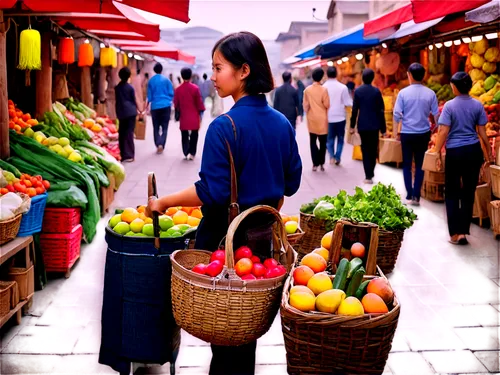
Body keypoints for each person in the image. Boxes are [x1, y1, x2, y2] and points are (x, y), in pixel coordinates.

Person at [147, 31, 302, 375]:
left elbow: (212, 192)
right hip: (262, 243)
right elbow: (292, 183)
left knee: (224, 329)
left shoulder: (223, 126)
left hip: (223, 242)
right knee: (245, 328)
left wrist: (164, 203)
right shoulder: (282, 124)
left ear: (244, 71)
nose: (213, 76)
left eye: (219, 68)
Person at [431, 72, 492, 245]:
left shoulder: (449, 106)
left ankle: (454, 234)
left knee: (451, 192)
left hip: (455, 152)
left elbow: (443, 131)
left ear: (455, 87)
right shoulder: (478, 105)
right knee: (468, 192)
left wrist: (436, 152)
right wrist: (488, 155)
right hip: (473, 151)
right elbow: (482, 133)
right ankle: (464, 232)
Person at [394, 62, 440, 206]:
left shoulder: (403, 93)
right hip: (423, 133)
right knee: (420, 164)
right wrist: (434, 127)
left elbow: (396, 114)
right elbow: (436, 115)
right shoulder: (430, 93)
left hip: (407, 133)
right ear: (423, 76)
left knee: (407, 164)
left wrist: (397, 130)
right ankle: (416, 196)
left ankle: (409, 193)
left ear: (409, 75)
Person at [350, 68, 387, 184]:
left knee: (365, 150)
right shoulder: (376, 92)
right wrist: (383, 129)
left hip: (363, 125)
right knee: (373, 149)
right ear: (372, 78)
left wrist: (352, 126)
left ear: (362, 78)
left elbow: (355, 110)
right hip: (375, 125)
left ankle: (368, 176)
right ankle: (371, 171)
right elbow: (381, 111)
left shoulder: (358, 91)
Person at [174, 67, 206, 161]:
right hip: (194, 116)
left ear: (182, 75)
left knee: (184, 135)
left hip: (184, 116)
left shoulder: (178, 89)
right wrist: (201, 110)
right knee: (194, 135)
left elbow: (176, 103)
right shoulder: (195, 88)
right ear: (190, 75)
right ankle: (192, 153)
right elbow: (199, 103)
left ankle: (186, 151)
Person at [323, 66, 353, 165]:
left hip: (328, 117)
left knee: (330, 139)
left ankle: (331, 156)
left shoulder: (323, 87)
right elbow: (348, 102)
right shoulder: (343, 87)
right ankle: (338, 157)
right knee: (340, 139)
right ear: (336, 74)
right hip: (341, 117)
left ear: (327, 74)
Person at [303, 67, 330, 172]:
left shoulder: (307, 90)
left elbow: (305, 107)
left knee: (312, 141)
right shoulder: (324, 90)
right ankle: (322, 163)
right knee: (323, 143)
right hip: (322, 119)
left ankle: (315, 163)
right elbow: (327, 104)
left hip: (312, 119)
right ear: (321, 77)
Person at [147, 63, 174, 154]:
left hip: (155, 107)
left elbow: (149, 97)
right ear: (161, 70)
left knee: (156, 127)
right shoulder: (167, 80)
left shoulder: (151, 81)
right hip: (166, 106)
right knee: (165, 127)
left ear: (154, 70)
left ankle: (158, 143)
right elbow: (171, 93)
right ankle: (162, 143)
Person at [114, 67, 138, 163]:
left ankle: (123, 154)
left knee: (122, 133)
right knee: (129, 133)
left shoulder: (117, 88)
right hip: (131, 112)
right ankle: (130, 155)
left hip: (121, 112)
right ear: (129, 76)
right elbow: (133, 100)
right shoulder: (130, 87)